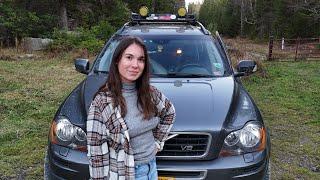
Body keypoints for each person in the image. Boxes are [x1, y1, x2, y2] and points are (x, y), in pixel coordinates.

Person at [86, 36, 176, 180]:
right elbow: (96, 152)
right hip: (126, 173)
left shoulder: (150, 93)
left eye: (141, 59)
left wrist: (157, 143)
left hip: (151, 168)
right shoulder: (103, 102)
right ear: (117, 60)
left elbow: (169, 112)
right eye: (129, 57)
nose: (135, 65)